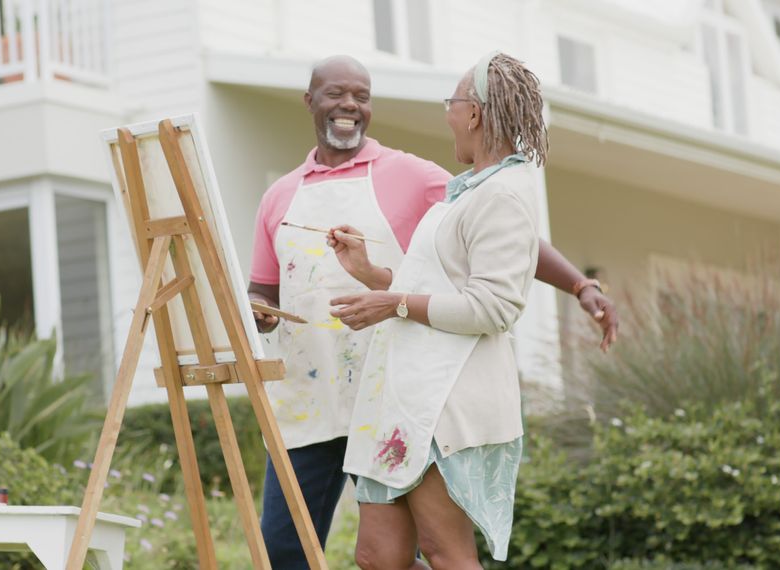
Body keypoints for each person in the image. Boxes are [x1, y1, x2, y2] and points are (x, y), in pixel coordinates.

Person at [248, 54, 616, 569]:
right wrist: (274, 306)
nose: (350, 105)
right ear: (310, 102)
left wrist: (579, 283)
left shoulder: (426, 177)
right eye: (336, 94)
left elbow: (508, 251)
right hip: (310, 401)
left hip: (398, 393)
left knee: (435, 549)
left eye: (361, 95)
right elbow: (265, 288)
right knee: (326, 553)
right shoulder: (280, 195)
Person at [328, 51, 554, 568]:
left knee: (444, 552)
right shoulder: (468, 191)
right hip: (402, 395)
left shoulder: (503, 195)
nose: (447, 113)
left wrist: (395, 302)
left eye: (452, 103)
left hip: (443, 403)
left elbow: (494, 307)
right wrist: (373, 275)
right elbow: (436, 284)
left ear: (473, 113)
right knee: (377, 556)